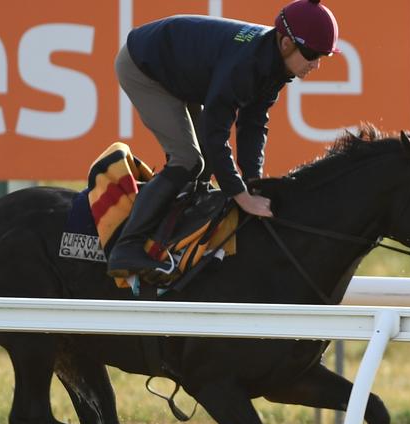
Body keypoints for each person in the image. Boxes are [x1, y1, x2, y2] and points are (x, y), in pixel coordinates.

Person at [108, 0, 339, 278]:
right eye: (312, 54)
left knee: (203, 166)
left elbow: (252, 124)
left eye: (323, 57)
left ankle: (176, 236)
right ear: (287, 43)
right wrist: (240, 196)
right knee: (189, 159)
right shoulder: (245, 65)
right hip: (143, 66)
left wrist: (253, 181)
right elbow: (215, 133)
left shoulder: (275, 61)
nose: (315, 65)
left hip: (179, 70)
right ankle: (127, 248)